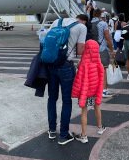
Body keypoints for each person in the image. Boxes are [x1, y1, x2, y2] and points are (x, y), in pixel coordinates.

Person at [46, 14, 88, 145]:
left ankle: (52, 130)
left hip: (51, 64)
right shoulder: (81, 27)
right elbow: (80, 50)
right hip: (66, 66)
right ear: (83, 20)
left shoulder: (56, 22)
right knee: (66, 101)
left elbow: (45, 40)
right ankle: (63, 135)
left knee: (52, 98)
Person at [72, 39, 107, 143]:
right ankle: (100, 127)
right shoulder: (98, 63)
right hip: (95, 91)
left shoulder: (83, 63)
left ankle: (84, 136)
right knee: (97, 107)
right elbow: (101, 78)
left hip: (85, 92)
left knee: (84, 112)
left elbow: (79, 79)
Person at [93, 11, 116, 97]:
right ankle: (104, 90)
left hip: (92, 49)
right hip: (102, 49)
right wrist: (112, 49)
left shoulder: (90, 22)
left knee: (94, 70)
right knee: (103, 69)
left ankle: (95, 89)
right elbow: (107, 37)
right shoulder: (103, 24)